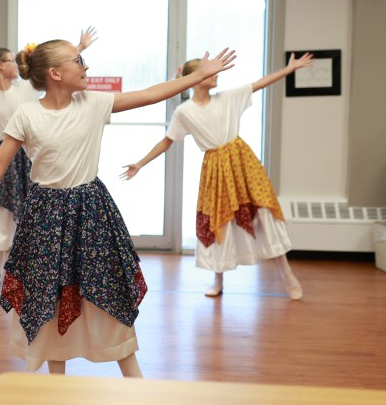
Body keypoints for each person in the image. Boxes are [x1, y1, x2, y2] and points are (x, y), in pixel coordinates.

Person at [0, 39, 236, 377]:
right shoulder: (27, 114)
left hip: (91, 211)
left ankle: (134, 379)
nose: (86, 66)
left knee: (106, 289)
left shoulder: (93, 103)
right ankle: (57, 381)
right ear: (55, 73)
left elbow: (150, 94)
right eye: (78, 60)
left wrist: (197, 76)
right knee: (50, 295)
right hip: (45, 216)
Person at [121, 52, 313, 299]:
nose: (216, 75)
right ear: (194, 78)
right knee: (218, 221)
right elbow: (166, 142)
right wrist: (140, 163)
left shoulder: (228, 98)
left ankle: (287, 275)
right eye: (210, 72)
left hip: (243, 163)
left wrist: (289, 69)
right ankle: (218, 278)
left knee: (263, 213)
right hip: (215, 170)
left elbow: (260, 83)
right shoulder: (184, 111)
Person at [0, 29, 96, 290]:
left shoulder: (23, 89)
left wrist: (80, 47)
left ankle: (29, 269)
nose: (16, 64)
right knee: (0, 212)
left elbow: (54, 67)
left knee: (28, 214)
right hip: (0, 154)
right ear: (1, 66)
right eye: (11, 60)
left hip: (25, 157)